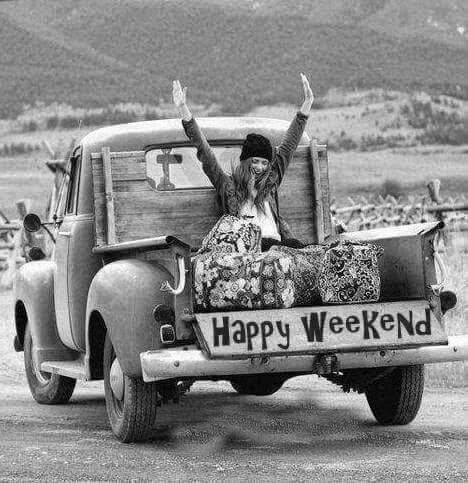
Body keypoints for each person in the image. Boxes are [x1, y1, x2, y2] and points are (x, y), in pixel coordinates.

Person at [172, 74, 314, 251]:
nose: (260, 167)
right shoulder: (228, 186)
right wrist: (184, 110)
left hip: (277, 248)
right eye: (255, 161)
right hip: (249, 250)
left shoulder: (271, 183)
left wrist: (306, 106)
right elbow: (205, 151)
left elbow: (288, 147)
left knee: (300, 249)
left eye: (264, 163)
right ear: (246, 161)